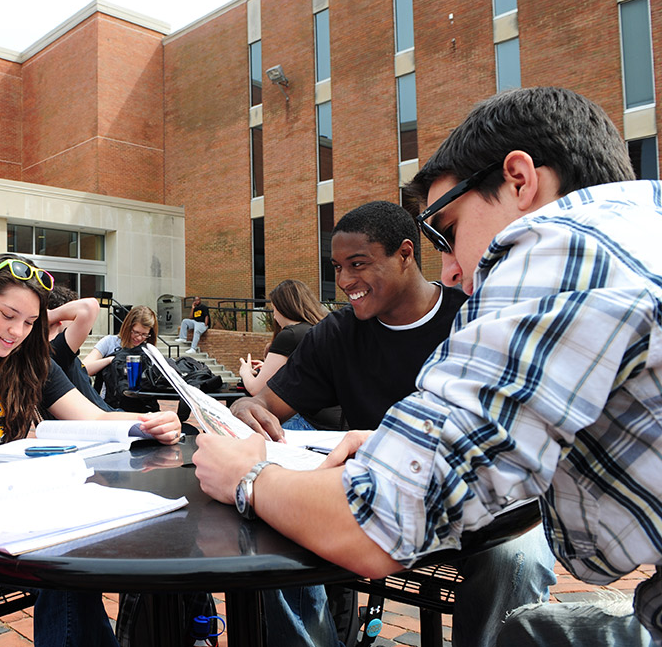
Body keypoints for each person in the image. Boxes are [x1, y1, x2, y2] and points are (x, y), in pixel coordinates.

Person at [195, 86, 662, 644]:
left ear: (520, 180)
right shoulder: (640, 229)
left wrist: (245, 476)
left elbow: (375, 527)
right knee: (531, 633)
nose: (456, 270)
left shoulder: (561, 250)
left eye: (448, 231)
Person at [231, 201, 555, 647]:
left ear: (405, 254)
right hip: (371, 500)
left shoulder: (473, 320)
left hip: (471, 501)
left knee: (517, 557)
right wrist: (247, 410)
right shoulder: (338, 333)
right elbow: (265, 403)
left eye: (358, 264)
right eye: (338, 267)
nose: (344, 281)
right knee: (272, 530)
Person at [0, 253, 182, 647]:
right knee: (64, 554)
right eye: (8, 315)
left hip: (16, 514)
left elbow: (92, 418)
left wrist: (149, 423)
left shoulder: (28, 362)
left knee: (89, 541)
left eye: (29, 322)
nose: (17, 332)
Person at [237, 279, 328, 396]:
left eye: (273, 309)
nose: (274, 315)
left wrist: (245, 372)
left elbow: (257, 389)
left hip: (307, 412)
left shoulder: (290, 335)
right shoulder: (319, 328)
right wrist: (271, 368)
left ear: (283, 307)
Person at [46, 286, 114, 412]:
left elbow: (82, 371)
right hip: (99, 421)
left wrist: (109, 360)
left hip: (103, 415)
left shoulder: (59, 354)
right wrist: (50, 315)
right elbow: (90, 307)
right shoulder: (56, 350)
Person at [82, 304, 158, 377]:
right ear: (127, 327)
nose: (139, 338)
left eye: (144, 334)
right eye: (136, 332)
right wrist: (112, 360)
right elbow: (83, 369)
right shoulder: (109, 342)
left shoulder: (149, 351)